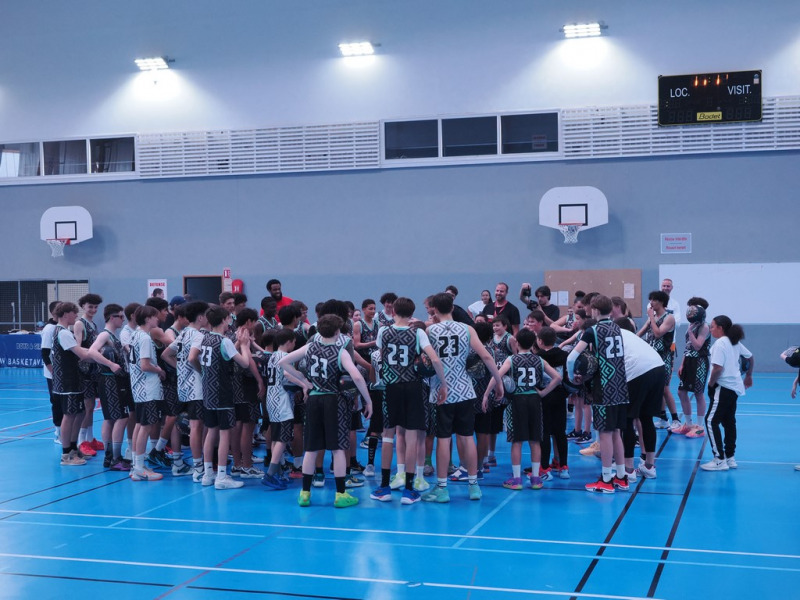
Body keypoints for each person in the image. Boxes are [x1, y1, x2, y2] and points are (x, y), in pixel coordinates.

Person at [279, 314, 373, 508]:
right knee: (338, 449)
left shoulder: (310, 347)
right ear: (338, 332)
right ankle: (340, 494)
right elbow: (356, 376)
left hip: (314, 399)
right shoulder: (340, 351)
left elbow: (283, 363)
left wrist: (304, 381)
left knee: (311, 449)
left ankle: (305, 493)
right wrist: (368, 400)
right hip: (334, 400)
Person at [424, 293, 503, 503]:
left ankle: (442, 488)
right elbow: (485, 355)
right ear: (452, 307)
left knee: (443, 438)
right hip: (465, 390)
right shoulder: (467, 329)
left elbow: (426, 361)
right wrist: (498, 381)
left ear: (434, 309)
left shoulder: (430, 331)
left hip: (441, 392)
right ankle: (473, 485)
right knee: (467, 437)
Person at [369, 297, 447, 505]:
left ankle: (384, 487)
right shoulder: (418, 333)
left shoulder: (383, 331)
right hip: (413, 387)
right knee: (412, 437)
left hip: (391, 387)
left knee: (388, 437)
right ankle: (409, 490)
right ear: (412, 313)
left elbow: (380, 354)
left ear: (393, 311)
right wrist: (443, 384)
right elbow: (435, 359)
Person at [484, 328, 562, 490]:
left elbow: (497, 376)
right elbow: (558, 377)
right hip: (534, 399)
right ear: (533, 343)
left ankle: (517, 479)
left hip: (517, 400)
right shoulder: (539, 360)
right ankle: (536, 478)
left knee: (517, 441)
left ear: (517, 343)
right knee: (535, 440)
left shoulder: (512, 359)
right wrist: (543, 393)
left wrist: (486, 394)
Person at [567, 295, 629, 494]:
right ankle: (621, 477)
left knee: (605, 434)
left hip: (603, 387)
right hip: (620, 385)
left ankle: (606, 479)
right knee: (616, 432)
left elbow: (572, 357)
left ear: (594, 310)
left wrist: (572, 376)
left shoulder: (592, 330)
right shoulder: (617, 328)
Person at [52, 302, 120, 466]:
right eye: (73, 313)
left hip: (75, 380)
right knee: (69, 415)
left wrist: (96, 353)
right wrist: (101, 356)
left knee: (80, 413)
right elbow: (82, 354)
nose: (76, 316)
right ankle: (66, 454)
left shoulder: (65, 332)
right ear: (65, 314)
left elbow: (82, 352)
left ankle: (73, 448)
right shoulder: (63, 333)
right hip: (67, 381)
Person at [199, 305, 254, 489]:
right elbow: (244, 363)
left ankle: (208, 474)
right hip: (222, 392)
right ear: (224, 320)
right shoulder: (224, 341)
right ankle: (222, 476)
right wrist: (244, 345)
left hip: (208, 392)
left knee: (211, 431)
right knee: (224, 434)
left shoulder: (204, 338)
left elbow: (224, 355)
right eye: (229, 318)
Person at [163, 300, 210, 482]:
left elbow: (165, 354)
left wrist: (180, 368)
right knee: (197, 427)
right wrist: (202, 372)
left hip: (182, 386)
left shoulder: (183, 334)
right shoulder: (198, 335)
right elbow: (192, 358)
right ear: (201, 317)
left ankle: (180, 463)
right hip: (196, 388)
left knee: (182, 425)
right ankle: (198, 469)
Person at [700, 315, 753, 472]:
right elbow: (750, 357)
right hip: (734, 388)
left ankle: (719, 460)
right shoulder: (733, 341)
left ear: (720, 328)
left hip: (722, 387)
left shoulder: (720, 343)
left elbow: (717, 368)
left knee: (711, 421)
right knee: (729, 422)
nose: (710, 329)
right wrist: (749, 376)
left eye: (712, 326)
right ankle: (730, 457)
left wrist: (710, 384)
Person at [87, 304, 133, 471]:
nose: (123, 320)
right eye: (121, 316)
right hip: (110, 381)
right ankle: (115, 457)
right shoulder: (105, 335)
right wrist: (111, 364)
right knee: (121, 417)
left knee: (110, 418)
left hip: (113, 380)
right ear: (112, 318)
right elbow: (92, 352)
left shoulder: (113, 336)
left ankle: (109, 456)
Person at [128, 305, 167, 482]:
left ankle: (137, 465)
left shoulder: (135, 335)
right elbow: (144, 365)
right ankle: (139, 468)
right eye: (154, 316)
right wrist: (159, 370)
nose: (157, 319)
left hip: (139, 387)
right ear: (147, 318)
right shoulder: (144, 338)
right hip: (147, 388)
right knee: (146, 427)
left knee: (140, 425)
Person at [261, 328, 300, 490]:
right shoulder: (285, 357)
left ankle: (277, 472)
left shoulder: (272, 356)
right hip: (281, 401)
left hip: (271, 399)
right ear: (289, 342)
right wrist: (304, 383)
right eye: (294, 342)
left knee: (277, 437)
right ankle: (270, 474)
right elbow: (289, 376)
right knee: (283, 438)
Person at [637, 290, 681, 431]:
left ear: (661, 302)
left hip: (664, 357)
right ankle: (663, 418)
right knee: (657, 389)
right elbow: (641, 332)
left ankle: (676, 419)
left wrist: (651, 317)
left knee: (665, 389)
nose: (651, 303)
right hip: (651, 356)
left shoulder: (669, 318)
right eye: (650, 300)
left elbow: (657, 333)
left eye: (654, 300)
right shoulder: (653, 317)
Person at [72, 293, 103, 456]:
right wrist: (94, 353)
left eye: (96, 307)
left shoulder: (93, 324)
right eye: (90, 307)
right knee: (86, 407)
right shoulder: (80, 324)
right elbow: (77, 348)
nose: (93, 310)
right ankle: (81, 441)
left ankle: (90, 439)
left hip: (94, 369)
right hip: (84, 370)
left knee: (91, 408)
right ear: (83, 306)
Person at [675, 298, 711, 437]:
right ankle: (689, 424)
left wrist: (690, 333)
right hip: (689, 360)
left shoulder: (704, 327)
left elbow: (697, 346)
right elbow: (688, 346)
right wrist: (682, 363)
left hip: (700, 362)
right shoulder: (692, 325)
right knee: (681, 392)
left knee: (698, 393)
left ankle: (700, 427)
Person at [40, 301, 62, 445]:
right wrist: (53, 372)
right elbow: (45, 353)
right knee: (57, 402)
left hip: (63, 372)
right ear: (54, 312)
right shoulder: (49, 329)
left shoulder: (62, 327)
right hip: (53, 374)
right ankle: (58, 433)